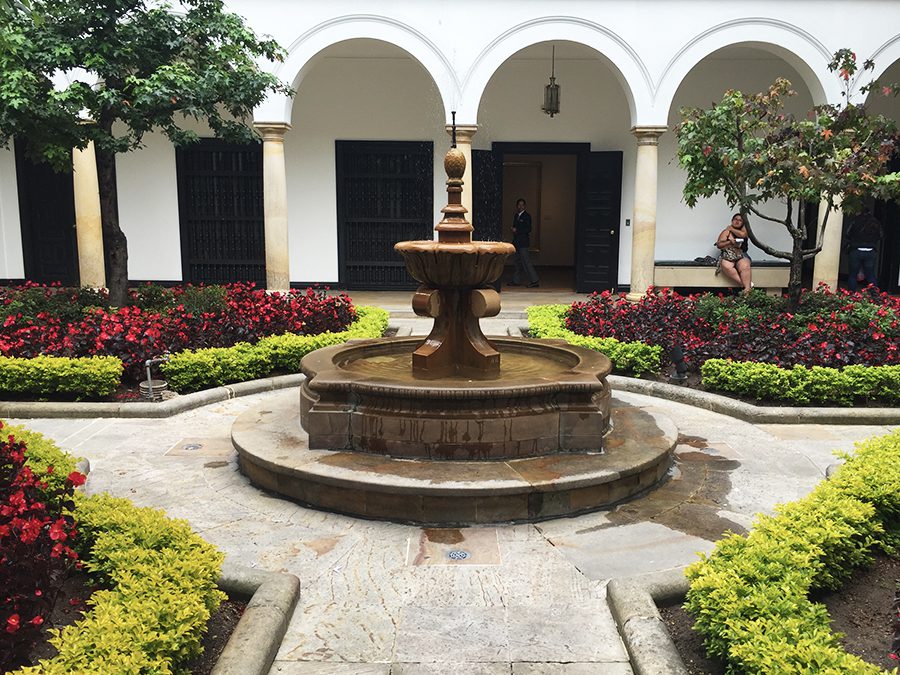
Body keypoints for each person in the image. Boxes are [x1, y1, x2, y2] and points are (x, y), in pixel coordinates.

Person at [844, 211, 882, 292]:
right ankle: (874, 297)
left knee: (853, 275)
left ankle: (851, 295)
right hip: (870, 250)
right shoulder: (875, 221)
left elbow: (848, 234)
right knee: (870, 275)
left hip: (856, 250)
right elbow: (881, 235)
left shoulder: (855, 221)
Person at [715, 213, 752, 293]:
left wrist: (731, 229)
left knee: (745, 266)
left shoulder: (744, 230)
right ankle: (745, 285)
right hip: (729, 255)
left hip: (742, 254)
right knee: (726, 266)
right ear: (732, 220)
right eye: (735, 219)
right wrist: (729, 242)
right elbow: (719, 244)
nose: (737, 221)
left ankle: (747, 292)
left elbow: (743, 235)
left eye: (740, 220)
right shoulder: (726, 232)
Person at [508, 198, 540, 288]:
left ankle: (534, 280)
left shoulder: (527, 216)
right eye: (519, 205)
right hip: (516, 242)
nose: (520, 206)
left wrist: (517, 230)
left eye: (522, 205)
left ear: (525, 206)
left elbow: (528, 229)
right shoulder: (516, 216)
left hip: (523, 243)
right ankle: (516, 280)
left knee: (526, 261)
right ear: (517, 206)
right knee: (517, 262)